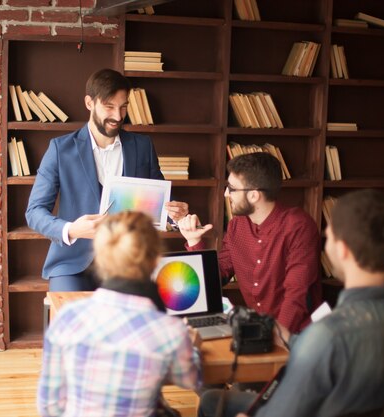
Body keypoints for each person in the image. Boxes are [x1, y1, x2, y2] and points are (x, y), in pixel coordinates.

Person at [197, 189, 384, 417]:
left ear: (342, 250)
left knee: (211, 402)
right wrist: (291, 338)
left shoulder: (327, 335)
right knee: (214, 399)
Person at [26, 68, 188, 291]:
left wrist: (176, 216)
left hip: (127, 263)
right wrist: (72, 229)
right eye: (109, 106)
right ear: (89, 103)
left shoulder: (142, 146)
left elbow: (159, 199)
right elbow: (34, 212)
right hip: (73, 265)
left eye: (123, 107)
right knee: (74, 321)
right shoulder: (60, 149)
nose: (118, 116)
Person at [37, 211, 202, 417]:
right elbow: (191, 379)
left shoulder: (66, 318)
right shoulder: (171, 331)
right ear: (155, 259)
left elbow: (49, 407)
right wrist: (191, 344)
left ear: (101, 258)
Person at [178, 152, 321, 340]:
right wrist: (194, 242)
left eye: (232, 188)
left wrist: (276, 339)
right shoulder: (237, 225)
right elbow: (217, 275)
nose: (226, 193)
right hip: (259, 331)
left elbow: (296, 294)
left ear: (254, 195)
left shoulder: (298, 226)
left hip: (298, 335)